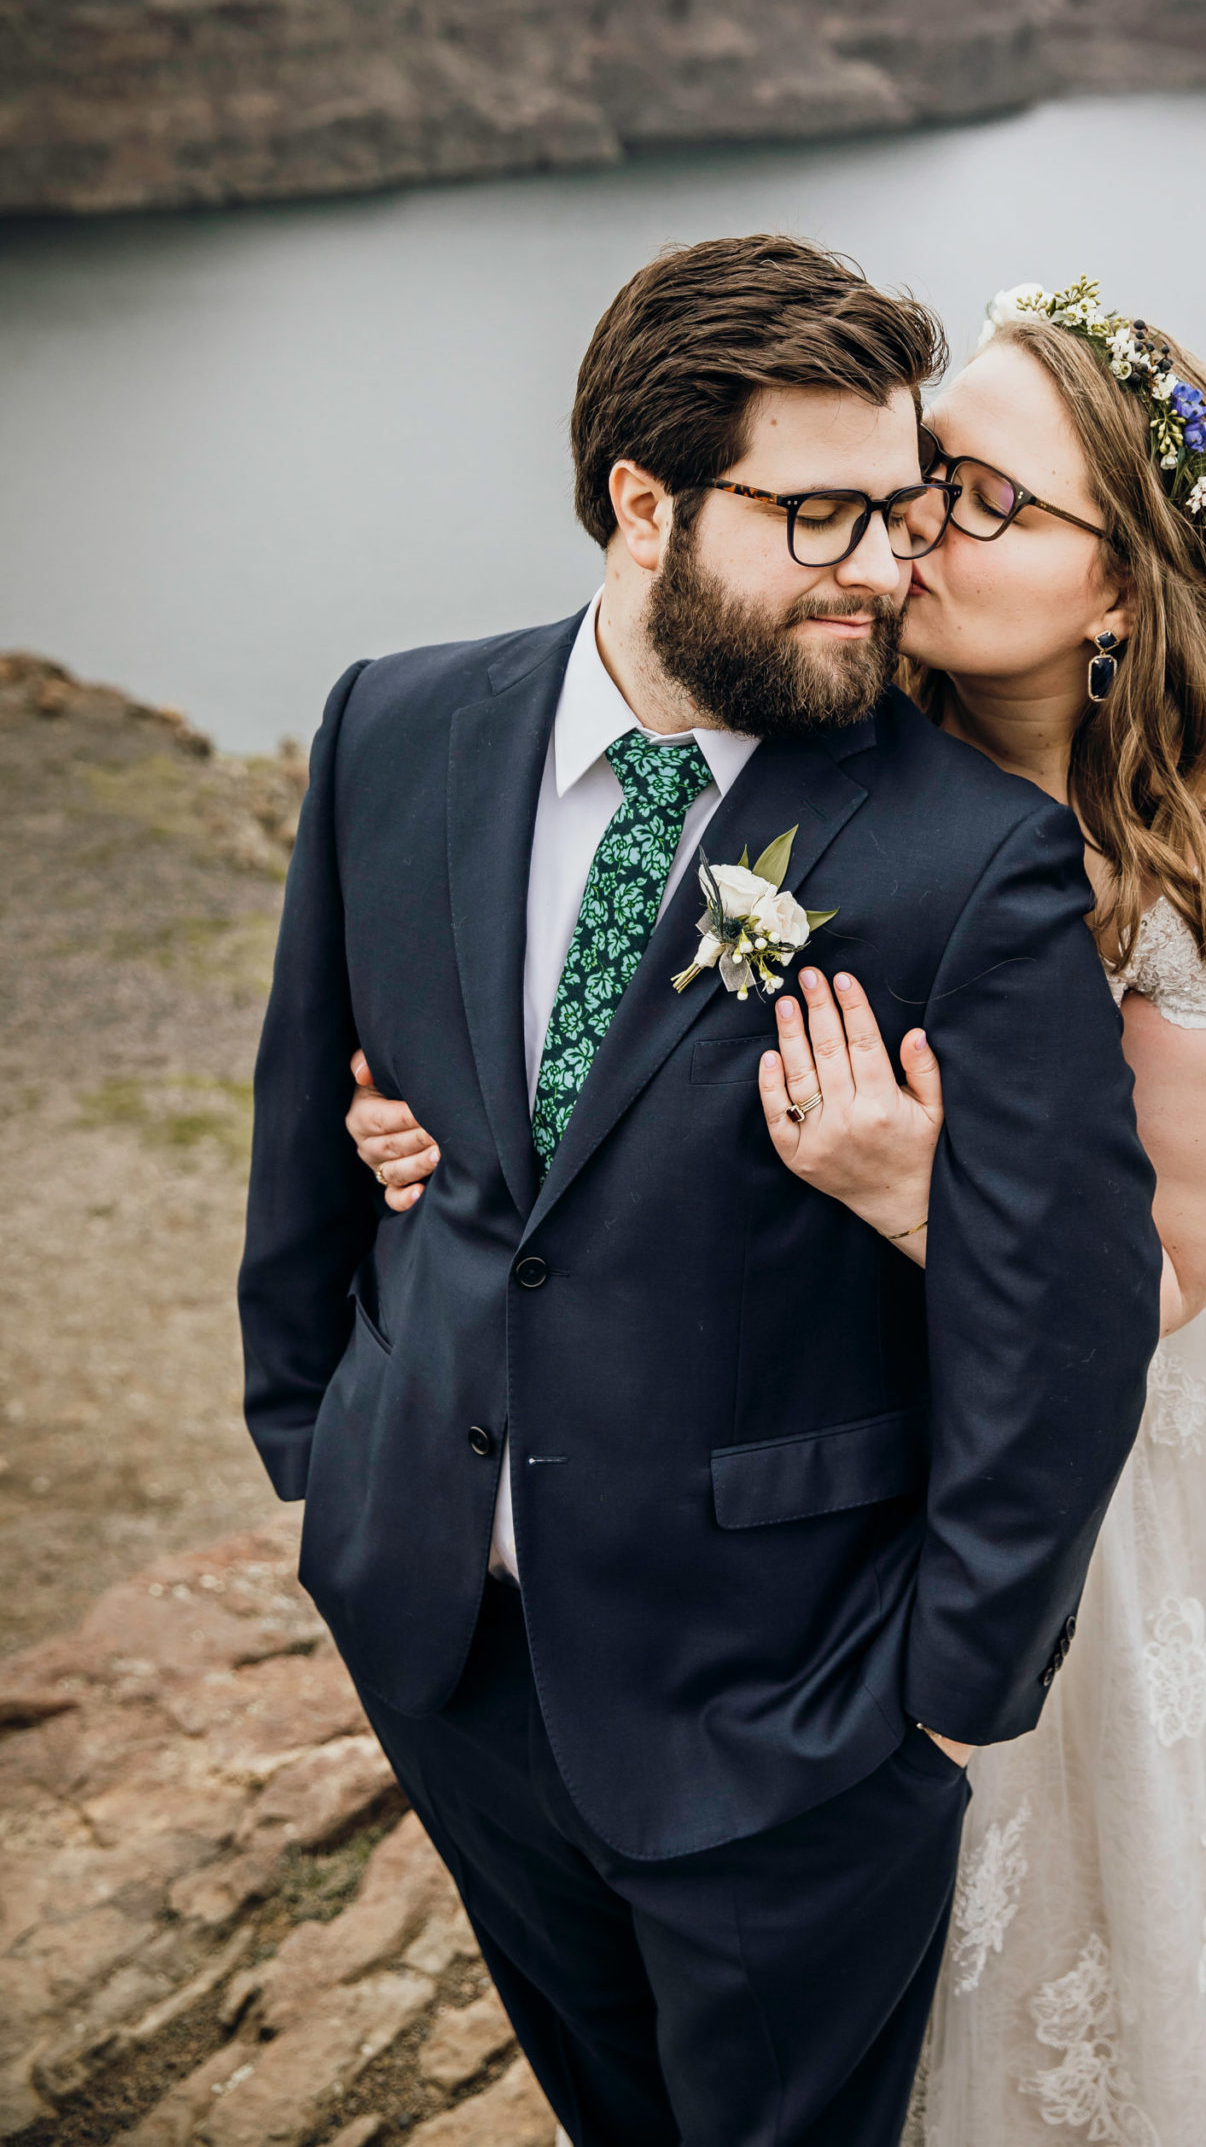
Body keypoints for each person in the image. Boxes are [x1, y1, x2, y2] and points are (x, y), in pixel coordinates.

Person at [355, 270, 1206, 2143]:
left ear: (1125, 583)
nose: (908, 536)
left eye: (983, 503)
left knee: (1145, 1844)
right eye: (921, 479)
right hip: (838, 1388)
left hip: (1157, 1388)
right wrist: (451, 1131)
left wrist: (923, 1187)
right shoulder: (831, 695)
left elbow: (1155, 1280)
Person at [237, 237, 1159, 2147]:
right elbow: (315, 1143)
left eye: (901, 511)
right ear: (642, 505)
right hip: (454, 1657)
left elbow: (1070, 1311)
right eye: (819, 516)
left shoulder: (972, 861)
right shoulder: (393, 730)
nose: (886, 567)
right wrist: (326, 1470)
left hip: (797, 1727)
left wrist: (941, 1699)